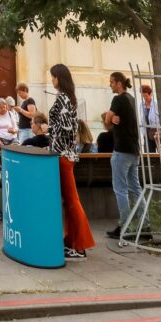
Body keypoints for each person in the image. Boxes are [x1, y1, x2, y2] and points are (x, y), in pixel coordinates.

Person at [47, 64, 95, 260]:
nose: (51, 80)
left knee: (72, 201)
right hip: (65, 154)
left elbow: (65, 129)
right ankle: (71, 240)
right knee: (69, 202)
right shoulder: (68, 98)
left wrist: (50, 134)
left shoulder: (64, 100)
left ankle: (81, 245)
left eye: (53, 77)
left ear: (59, 77)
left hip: (63, 156)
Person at [105, 71, 145, 241]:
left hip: (121, 150)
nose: (110, 85)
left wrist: (111, 118)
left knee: (120, 189)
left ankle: (125, 225)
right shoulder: (131, 99)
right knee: (135, 187)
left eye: (111, 82)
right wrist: (113, 118)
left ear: (119, 83)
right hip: (134, 149)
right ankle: (145, 224)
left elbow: (107, 119)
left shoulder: (118, 99)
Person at [138, 84, 160, 153]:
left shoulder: (156, 104)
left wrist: (159, 131)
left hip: (157, 132)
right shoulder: (142, 104)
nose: (145, 98)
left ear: (150, 94)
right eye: (143, 96)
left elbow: (160, 118)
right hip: (147, 132)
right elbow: (142, 118)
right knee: (149, 153)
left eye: (146, 96)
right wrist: (143, 132)